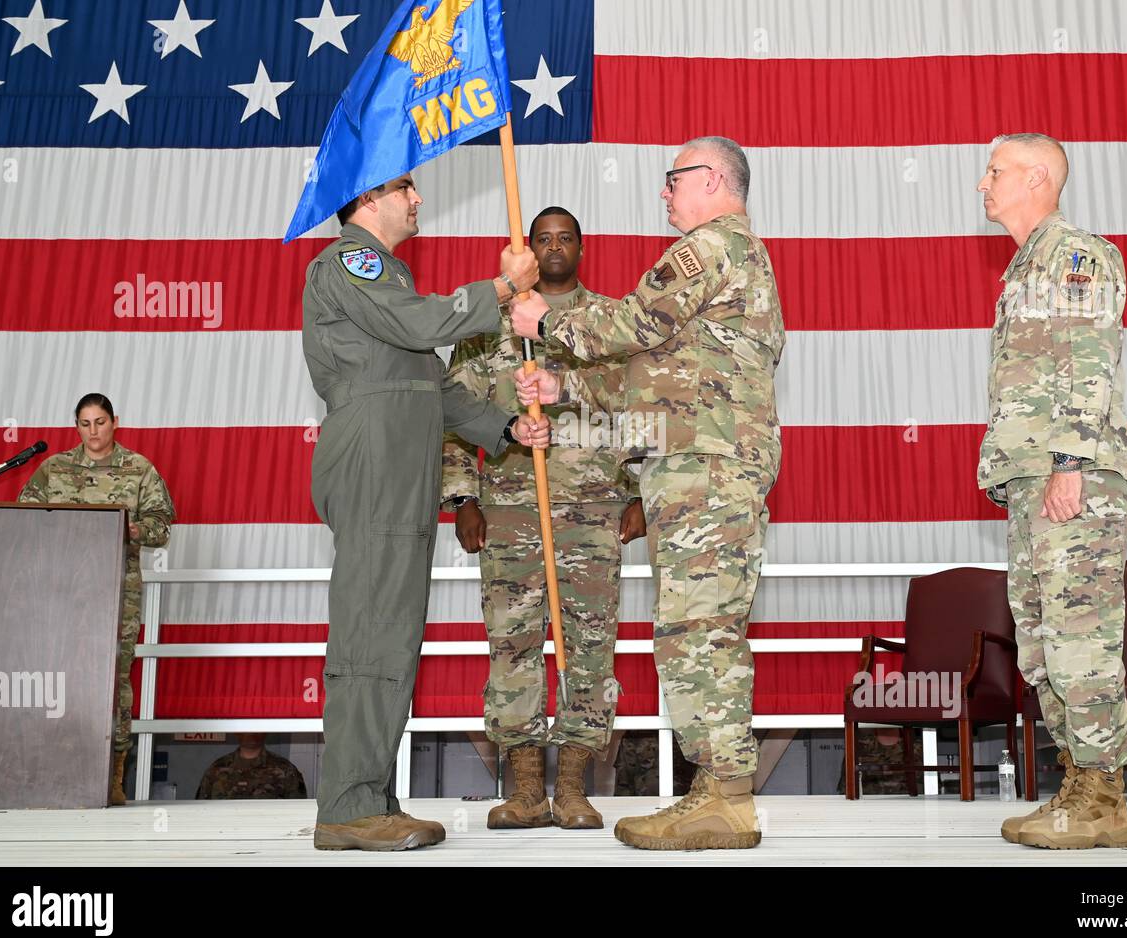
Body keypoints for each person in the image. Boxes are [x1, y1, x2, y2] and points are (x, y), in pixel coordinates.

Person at [511, 136, 784, 850]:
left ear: (714, 180)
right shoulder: (730, 257)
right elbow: (655, 376)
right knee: (696, 627)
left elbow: (634, 325)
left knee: (700, 630)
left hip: (706, 470)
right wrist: (563, 384)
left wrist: (547, 319)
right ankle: (712, 788)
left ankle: (726, 797)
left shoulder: (709, 249)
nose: (665, 193)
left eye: (674, 179)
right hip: (697, 463)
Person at [303, 173, 550, 852]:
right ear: (367, 200)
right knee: (371, 626)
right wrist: (501, 288)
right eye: (406, 189)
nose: (418, 201)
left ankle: (371, 797)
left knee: (390, 629)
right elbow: (419, 326)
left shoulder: (386, 274)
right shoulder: (352, 261)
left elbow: (432, 387)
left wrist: (505, 428)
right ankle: (349, 806)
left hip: (400, 461)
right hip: (375, 455)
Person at [441, 206, 645, 831]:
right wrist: (462, 497)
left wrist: (638, 492)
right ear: (525, 249)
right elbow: (451, 414)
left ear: (582, 248)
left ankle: (577, 789)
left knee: (591, 647)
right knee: (514, 647)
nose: (554, 248)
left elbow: (638, 409)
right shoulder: (487, 329)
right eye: (543, 239)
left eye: (566, 239)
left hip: (591, 509)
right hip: (509, 510)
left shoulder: (607, 324)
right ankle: (527, 788)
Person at [976, 133, 1127, 850]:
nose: (984, 183)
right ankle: (1078, 783)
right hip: (1035, 480)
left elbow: (1089, 362)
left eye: (996, 170)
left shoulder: (1075, 255)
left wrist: (1070, 460)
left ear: (1038, 177)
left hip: (1072, 475)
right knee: (1040, 643)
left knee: (1080, 638)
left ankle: (1104, 800)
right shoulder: (1024, 266)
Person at [18, 393, 175, 806]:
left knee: (113, 680)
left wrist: (129, 529)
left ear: (114, 422)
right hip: (59, 593)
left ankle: (112, 773)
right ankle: (54, 765)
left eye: (100, 422)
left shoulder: (138, 469)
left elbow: (161, 525)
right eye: (85, 424)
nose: (93, 432)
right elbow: (23, 516)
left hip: (116, 593)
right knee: (55, 677)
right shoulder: (54, 469)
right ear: (76, 426)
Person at [195, 734, 307, 799]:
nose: (250, 732)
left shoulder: (285, 770)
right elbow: (200, 811)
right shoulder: (217, 770)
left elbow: (298, 814)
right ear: (236, 732)